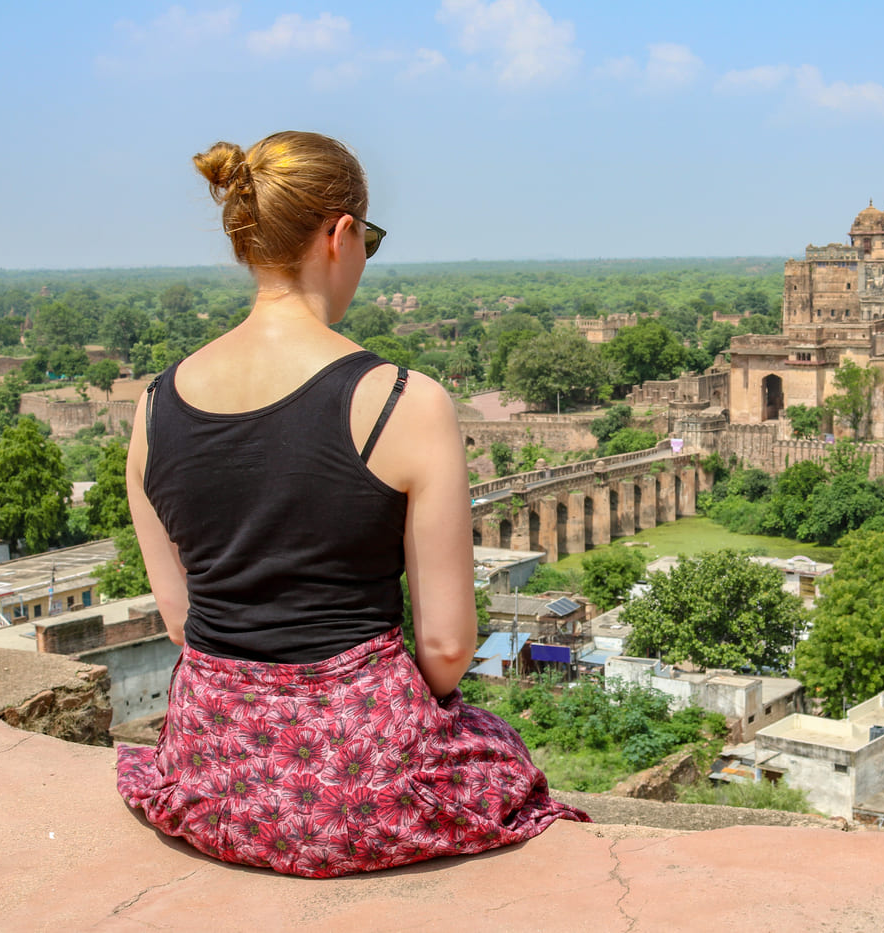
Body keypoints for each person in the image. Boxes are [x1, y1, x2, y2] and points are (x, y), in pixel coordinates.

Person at [116, 131, 587, 877]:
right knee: (502, 754)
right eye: (366, 237)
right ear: (339, 235)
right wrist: (360, 712)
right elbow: (446, 648)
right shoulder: (403, 401)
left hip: (213, 774)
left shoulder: (151, 409)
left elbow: (182, 621)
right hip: (358, 782)